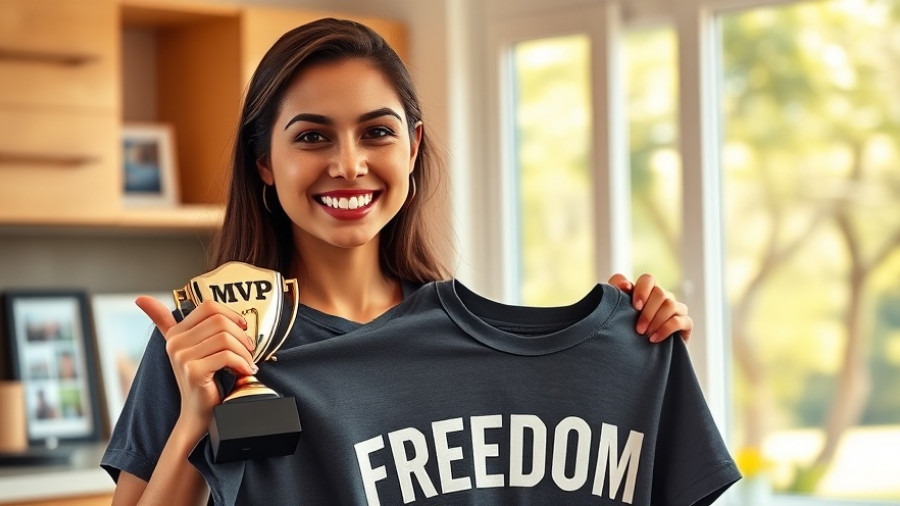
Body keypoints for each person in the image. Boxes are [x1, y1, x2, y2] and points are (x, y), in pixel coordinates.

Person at [103, 18, 704, 505]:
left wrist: (636, 342)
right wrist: (194, 421)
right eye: (312, 137)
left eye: (376, 133)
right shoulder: (204, 342)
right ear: (264, 162)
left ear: (413, 148)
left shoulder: (470, 344)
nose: (348, 164)